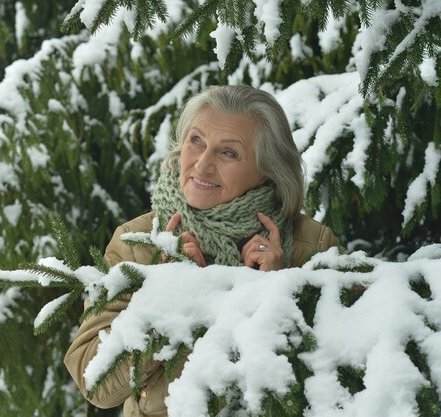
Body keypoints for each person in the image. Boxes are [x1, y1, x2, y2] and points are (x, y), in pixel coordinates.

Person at [64, 85, 339, 417]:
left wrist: (276, 294)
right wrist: (170, 294)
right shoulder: (136, 241)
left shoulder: (312, 245)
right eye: (196, 141)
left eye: (228, 153)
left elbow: (336, 378)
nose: (202, 164)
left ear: (268, 168)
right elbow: (95, 381)